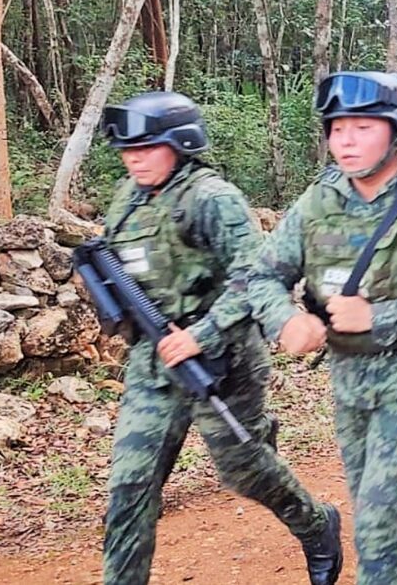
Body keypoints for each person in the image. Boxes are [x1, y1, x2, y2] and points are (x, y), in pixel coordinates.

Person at [245, 71, 397, 584]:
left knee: (380, 526)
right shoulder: (319, 201)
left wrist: (380, 316)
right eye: (337, 128)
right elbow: (263, 274)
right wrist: (284, 317)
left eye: (362, 127)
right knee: (385, 502)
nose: (346, 140)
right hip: (351, 381)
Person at [99, 92, 341, 585]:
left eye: (147, 146)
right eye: (127, 149)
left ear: (180, 144)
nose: (135, 158)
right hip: (154, 361)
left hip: (224, 359)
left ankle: (315, 523)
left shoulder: (213, 198)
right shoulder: (127, 200)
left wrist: (202, 333)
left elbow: (256, 277)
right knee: (131, 486)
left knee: (242, 468)